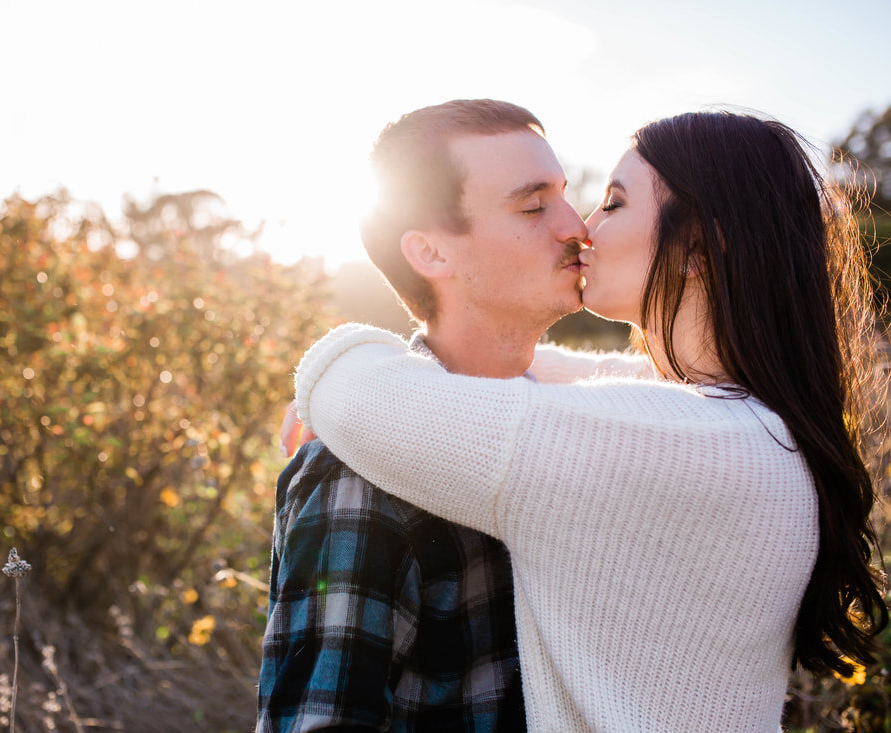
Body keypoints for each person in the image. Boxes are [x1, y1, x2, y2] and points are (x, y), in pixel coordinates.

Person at [292, 111, 888, 732]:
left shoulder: (678, 442)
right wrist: (399, 364)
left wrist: (342, 363)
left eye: (613, 202)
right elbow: (572, 380)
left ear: (699, 248)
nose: (583, 228)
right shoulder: (749, 424)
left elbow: (369, 404)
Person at [257, 99, 646, 732]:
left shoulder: (586, 429)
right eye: (532, 205)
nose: (577, 226)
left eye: (565, 196)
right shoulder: (361, 471)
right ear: (433, 254)